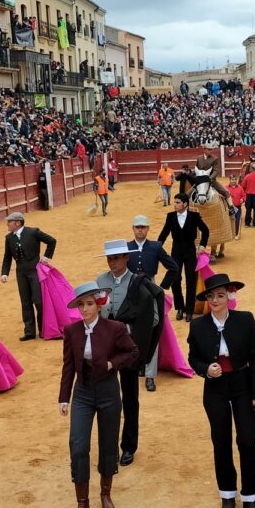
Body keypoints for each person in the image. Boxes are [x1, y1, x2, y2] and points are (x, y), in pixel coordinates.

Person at [58, 280, 139, 508]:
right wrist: (64, 397)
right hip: (82, 393)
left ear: (99, 304)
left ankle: (105, 494)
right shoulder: (71, 331)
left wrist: (112, 364)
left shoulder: (115, 328)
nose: (84, 309)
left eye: (89, 304)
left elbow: (132, 352)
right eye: (81, 305)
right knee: (78, 444)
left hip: (107, 392)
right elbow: (69, 365)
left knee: (108, 443)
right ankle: (82, 504)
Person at [187, 272, 255, 508]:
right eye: (211, 296)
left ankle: (250, 497)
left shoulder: (245, 320)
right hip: (215, 388)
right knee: (221, 441)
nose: (215, 300)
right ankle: (228, 495)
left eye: (220, 295)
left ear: (230, 296)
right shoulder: (198, 325)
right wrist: (205, 370)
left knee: (247, 440)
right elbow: (193, 358)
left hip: (243, 384)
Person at [97, 239, 164, 465]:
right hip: (105, 348)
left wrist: (133, 334)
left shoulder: (139, 283)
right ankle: (108, 446)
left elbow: (153, 318)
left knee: (130, 398)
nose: (112, 262)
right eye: (109, 258)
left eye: (116, 258)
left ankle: (128, 446)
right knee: (107, 399)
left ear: (127, 258)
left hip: (127, 348)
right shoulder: (100, 281)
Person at [127, 215, 178, 391]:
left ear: (148, 229)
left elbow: (173, 267)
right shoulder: (126, 248)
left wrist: (161, 287)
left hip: (150, 290)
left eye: (143, 227)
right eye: (137, 227)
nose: (140, 230)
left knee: (152, 331)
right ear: (133, 229)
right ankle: (138, 366)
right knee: (129, 331)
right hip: (131, 291)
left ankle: (150, 375)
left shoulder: (156, 247)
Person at [0, 212, 56, 341]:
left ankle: (43, 329)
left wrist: (47, 257)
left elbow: (51, 241)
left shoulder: (33, 232)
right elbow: (7, 257)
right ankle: (29, 331)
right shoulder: (9, 238)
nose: (7, 224)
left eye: (9, 222)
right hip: (21, 272)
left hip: (35, 270)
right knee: (25, 302)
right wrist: (4, 273)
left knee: (38, 301)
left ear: (17, 223)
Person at [158, 193, 210, 321]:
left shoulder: (194, 216)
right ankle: (180, 307)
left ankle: (189, 310)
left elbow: (206, 230)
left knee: (191, 280)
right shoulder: (170, 217)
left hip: (190, 251)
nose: (175, 205)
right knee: (175, 280)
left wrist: (202, 245)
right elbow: (164, 233)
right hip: (175, 251)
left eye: (177, 202)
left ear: (185, 204)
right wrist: (156, 247)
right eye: (174, 202)